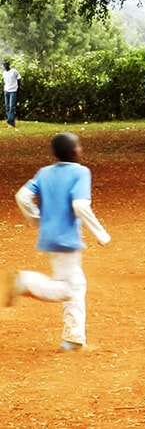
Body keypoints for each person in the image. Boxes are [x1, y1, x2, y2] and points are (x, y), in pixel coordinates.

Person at [4, 132, 111, 352]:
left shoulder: (45, 173)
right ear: (74, 152)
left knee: (75, 285)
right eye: (79, 146)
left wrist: (37, 219)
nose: (81, 149)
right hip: (67, 239)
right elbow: (80, 205)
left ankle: (73, 338)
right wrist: (100, 234)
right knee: (69, 288)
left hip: (49, 236)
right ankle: (24, 281)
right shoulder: (80, 172)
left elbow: (22, 196)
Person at [2, 60, 21, 128]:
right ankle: (9, 121)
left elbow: (19, 78)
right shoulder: (4, 73)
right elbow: (4, 81)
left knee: (11, 106)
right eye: (4, 65)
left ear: (9, 65)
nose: (5, 66)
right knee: (7, 107)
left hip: (13, 90)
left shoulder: (14, 71)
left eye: (7, 64)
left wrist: (18, 87)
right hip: (6, 90)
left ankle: (11, 122)